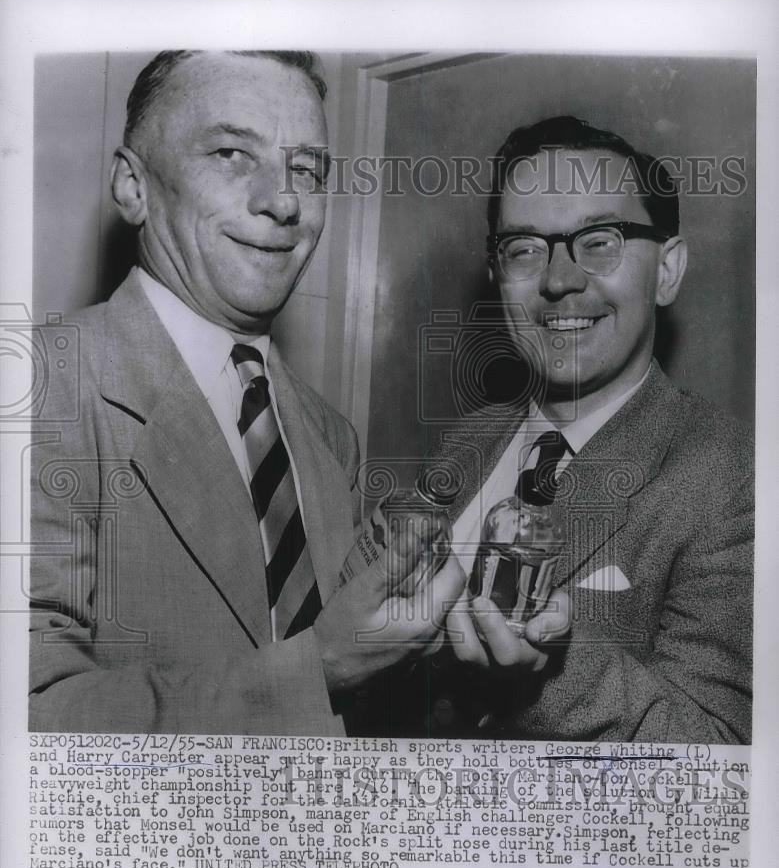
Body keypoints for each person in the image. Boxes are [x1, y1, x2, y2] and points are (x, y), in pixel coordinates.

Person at [28, 49, 471, 734]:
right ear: (132, 186)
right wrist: (318, 670)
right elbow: (31, 720)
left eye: (306, 168)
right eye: (233, 153)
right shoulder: (38, 389)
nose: (284, 199)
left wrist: (405, 613)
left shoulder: (327, 433)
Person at [390, 116, 753, 744]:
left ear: (666, 270)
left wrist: (548, 673)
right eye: (525, 248)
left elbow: (717, 755)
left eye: (599, 241)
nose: (559, 280)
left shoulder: (733, 475)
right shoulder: (469, 439)